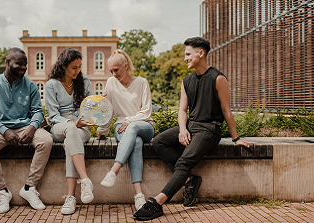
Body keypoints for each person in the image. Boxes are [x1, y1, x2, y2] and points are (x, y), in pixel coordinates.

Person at [134, 37, 256, 221]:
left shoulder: (218, 78)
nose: (185, 58)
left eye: (188, 54)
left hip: (209, 130)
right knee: (159, 142)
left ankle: (157, 203)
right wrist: (183, 129)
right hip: (191, 126)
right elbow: (182, 110)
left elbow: (226, 110)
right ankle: (190, 180)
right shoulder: (187, 81)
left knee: (184, 162)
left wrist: (236, 138)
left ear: (201, 53)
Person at [0, 47, 53, 214]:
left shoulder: (31, 86)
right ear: (7, 62)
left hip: (25, 127)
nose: (23, 68)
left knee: (46, 141)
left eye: (25, 65)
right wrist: (4, 130)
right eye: (19, 64)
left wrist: (32, 127)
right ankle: (3, 191)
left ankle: (29, 187)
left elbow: (37, 111)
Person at [97, 49, 155, 211]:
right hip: (121, 128)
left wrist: (130, 120)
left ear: (126, 65)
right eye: (111, 71)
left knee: (134, 127)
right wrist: (102, 131)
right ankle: (138, 195)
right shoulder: (111, 83)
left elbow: (146, 111)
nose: (114, 74)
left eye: (116, 70)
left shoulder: (142, 82)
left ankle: (114, 171)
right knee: (135, 142)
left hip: (144, 125)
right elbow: (107, 110)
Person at [45, 48, 95, 215]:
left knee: (70, 142)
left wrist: (81, 120)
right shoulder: (52, 85)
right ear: (64, 66)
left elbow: (89, 107)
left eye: (80, 67)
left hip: (81, 127)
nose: (78, 71)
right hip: (60, 125)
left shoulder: (84, 81)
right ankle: (86, 180)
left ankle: (71, 197)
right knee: (70, 129)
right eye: (74, 67)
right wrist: (74, 123)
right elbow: (53, 115)